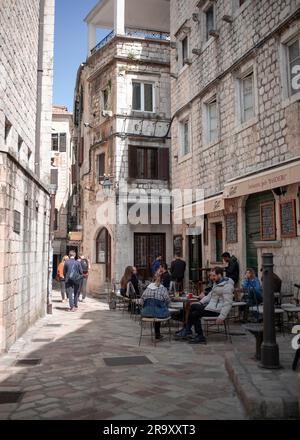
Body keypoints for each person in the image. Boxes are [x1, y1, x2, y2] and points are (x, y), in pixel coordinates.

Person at [175, 267, 234, 344]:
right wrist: (201, 302)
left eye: (213, 275)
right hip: (211, 308)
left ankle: (188, 329)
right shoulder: (217, 283)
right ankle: (198, 335)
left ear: (219, 275)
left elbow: (228, 303)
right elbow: (209, 296)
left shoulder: (227, 286)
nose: (211, 278)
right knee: (194, 313)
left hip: (218, 311)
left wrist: (222, 316)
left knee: (193, 307)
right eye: (211, 275)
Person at [140, 273, 170, 340]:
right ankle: (157, 334)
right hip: (159, 314)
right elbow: (168, 301)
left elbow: (141, 300)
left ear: (152, 280)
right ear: (162, 281)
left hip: (146, 313)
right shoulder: (163, 289)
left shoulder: (147, 289)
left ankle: (157, 334)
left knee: (155, 309)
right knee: (159, 310)